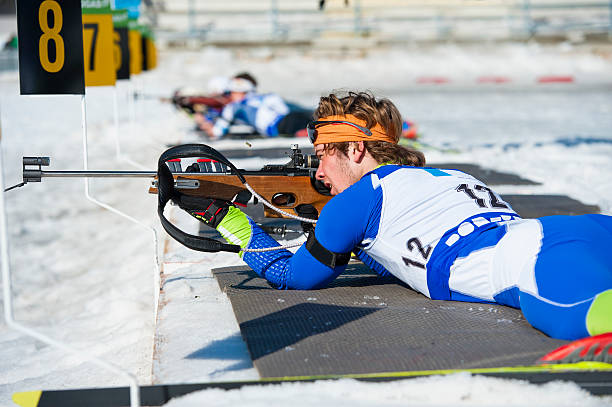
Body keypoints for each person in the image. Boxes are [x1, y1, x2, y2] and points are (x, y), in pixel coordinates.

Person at [178, 91, 612, 347]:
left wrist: (229, 222)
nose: (320, 174)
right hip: (570, 230)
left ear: (356, 150)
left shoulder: (359, 201)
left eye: (324, 155)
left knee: (584, 321)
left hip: (526, 260)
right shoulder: (448, 175)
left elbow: (294, 276)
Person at [196, 72, 313, 139]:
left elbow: (217, 133)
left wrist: (203, 123)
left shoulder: (233, 107)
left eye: (232, 92)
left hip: (282, 125)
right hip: (288, 120)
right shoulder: (258, 98)